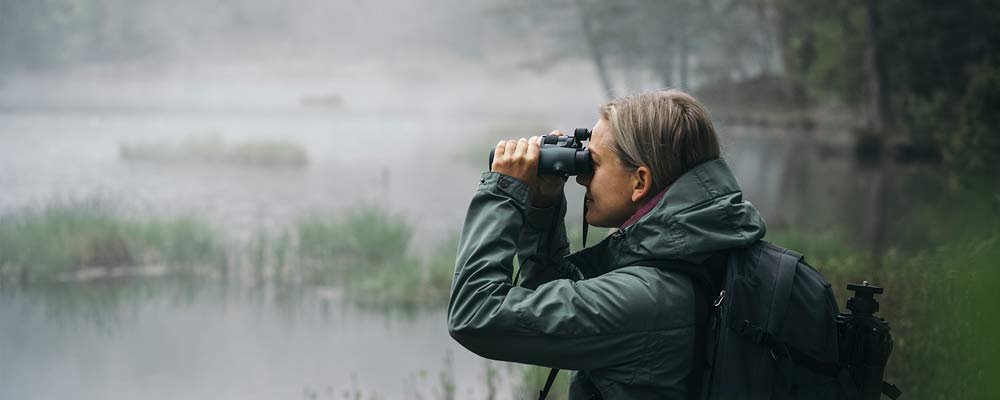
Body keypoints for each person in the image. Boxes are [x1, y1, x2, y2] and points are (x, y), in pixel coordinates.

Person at [447, 90, 766, 399]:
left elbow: (475, 314)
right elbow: (557, 301)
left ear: (640, 182)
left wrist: (504, 191)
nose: (582, 178)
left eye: (593, 164)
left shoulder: (648, 298)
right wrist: (542, 206)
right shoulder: (699, 251)